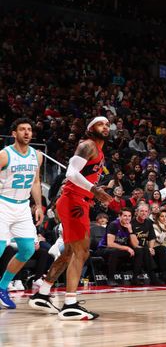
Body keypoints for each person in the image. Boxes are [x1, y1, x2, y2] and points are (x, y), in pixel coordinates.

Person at [29, 116, 112, 320]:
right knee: (81, 252)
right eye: (101, 124)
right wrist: (94, 190)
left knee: (69, 251)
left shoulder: (99, 151)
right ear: (91, 128)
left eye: (108, 125)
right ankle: (70, 304)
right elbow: (71, 172)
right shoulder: (87, 145)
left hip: (78, 200)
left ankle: (43, 292)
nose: (106, 127)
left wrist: (93, 192)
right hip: (73, 201)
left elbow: (82, 177)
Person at [0, 118, 45, 309]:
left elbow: (36, 182)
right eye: (22, 129)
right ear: (14, 133)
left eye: (29, 129)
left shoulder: (37, 155)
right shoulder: (4, 154)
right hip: (3, 204)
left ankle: (2, 288)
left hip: (23, 207)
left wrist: (39, 206)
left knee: (27, 249)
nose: (27, 132)